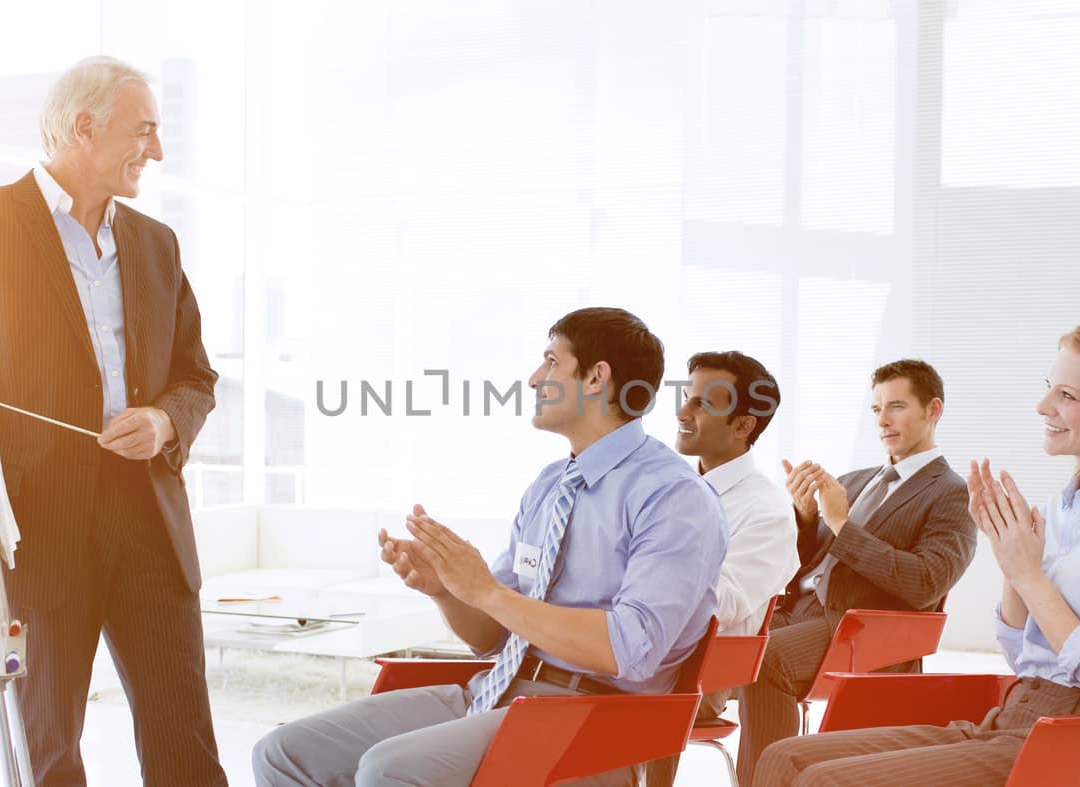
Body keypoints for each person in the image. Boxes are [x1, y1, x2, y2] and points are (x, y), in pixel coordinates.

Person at [251, 307, 728, 787]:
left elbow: (630, 648)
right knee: (282, 752)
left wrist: (488, 593)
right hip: (499, 689)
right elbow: (492, 636)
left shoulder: (674, 497)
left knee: (388, 770)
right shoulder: (549, 487)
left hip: (593, 719)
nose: (534, 378)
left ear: (596, 378)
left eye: (550, 361)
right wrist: (446, 589)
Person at [0, 56, 226, 785]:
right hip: (37, 528)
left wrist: (163, 421)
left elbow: (196, 377)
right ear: (85, 127)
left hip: (151, 520)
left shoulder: (157, 243)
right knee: (46, 747)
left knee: (186, 743)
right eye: (143, 131)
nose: (155, 150)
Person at [753, 321, 1080, 786]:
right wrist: (1011, 565)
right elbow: (1024, 657)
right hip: (1017, 713)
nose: (1043, 406)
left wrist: (1029, 574)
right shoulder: (1064, 509)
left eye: (1067, 396)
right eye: (1048, 389)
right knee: (783, 758)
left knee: (825, 782)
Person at [737, 359, 975, 785]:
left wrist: (842, 524)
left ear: (933, 410)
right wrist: (808, 519)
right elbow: (807, 564)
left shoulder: (952, 494)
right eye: (876, 409)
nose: (883, 420)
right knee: (712, 635)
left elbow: (925, 583)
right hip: (799, 613)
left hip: (857, 628)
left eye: (897, 406)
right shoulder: (855, 479)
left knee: (763, 659)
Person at [646, 351, 797, 787]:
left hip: (694, 674)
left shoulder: (766, 510)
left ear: (743, 425)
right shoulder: (666, 488)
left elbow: (721, 604)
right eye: (687, 399)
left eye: (702, 404)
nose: (682, 412)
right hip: (640, 651)